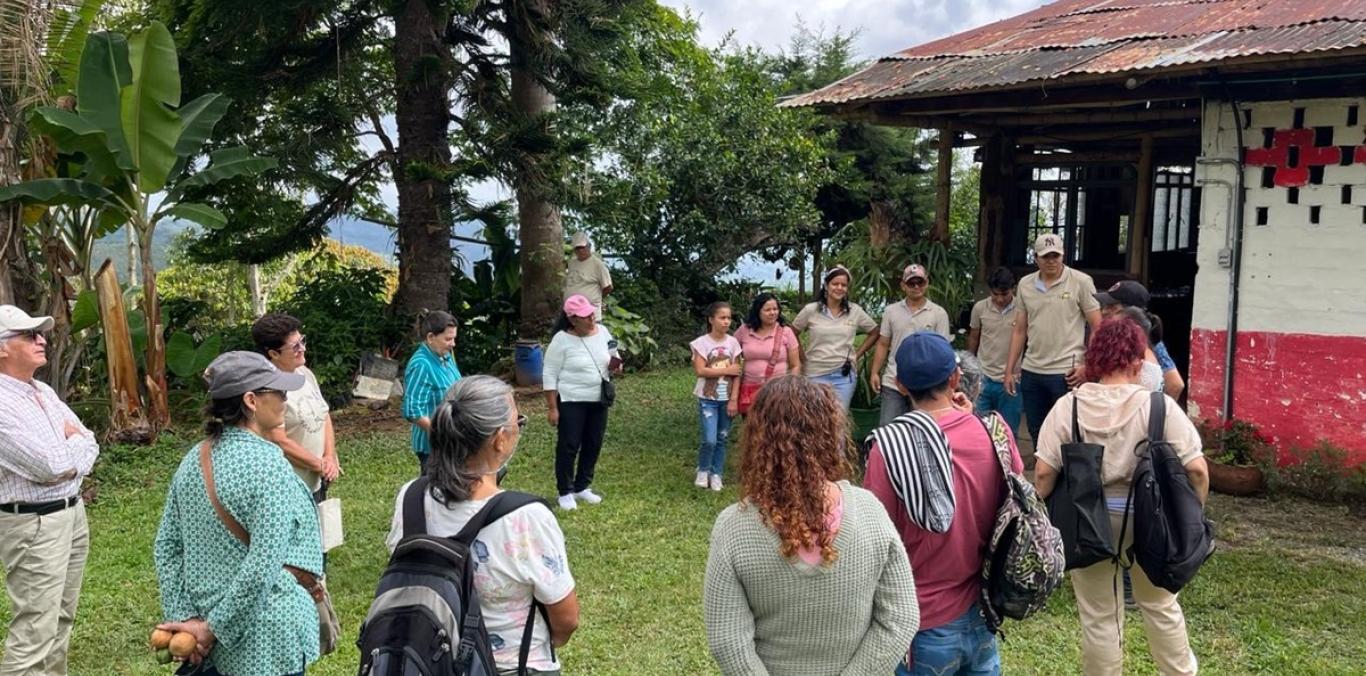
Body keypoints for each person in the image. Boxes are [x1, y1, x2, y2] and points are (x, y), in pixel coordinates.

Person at [703, 375, 919, 674]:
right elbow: (902, 617)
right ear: (830, 433)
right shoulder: (870, 511)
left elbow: (728, 640)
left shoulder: (734, 527)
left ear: (757, 438)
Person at [1033, 319, 1209, 676]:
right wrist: (1192, 515)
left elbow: (1043, 474)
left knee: (1099, 613)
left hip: (1088, 518)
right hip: (1151, 516)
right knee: (1160, 602)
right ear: (1136, 360)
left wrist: (1038, 512)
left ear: (1094, 359)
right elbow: (1198, 470)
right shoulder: (1159, 406)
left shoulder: (1070, 406)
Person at [386, 376, 579, 675]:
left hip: (426, 661)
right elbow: (565, 619)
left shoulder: (409, 497)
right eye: (519, 423)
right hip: (510, 665)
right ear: (499, 439)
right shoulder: (526, 517)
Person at [153, 351, 324, 676]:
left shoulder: (194, 459)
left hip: (209, 637)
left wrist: (189, 620)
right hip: (265, 640)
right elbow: (263, 563)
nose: (285, 402)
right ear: (251, 400)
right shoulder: (268, 464)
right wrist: (213, 628)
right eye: (279, 393)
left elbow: (167, 547)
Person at [864, 333, 1024, 675]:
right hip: (983, 608)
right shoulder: (995, 432)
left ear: (901, 385)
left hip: (922, 620)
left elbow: (878, 538)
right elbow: (1015, 499)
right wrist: (971, 419)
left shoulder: (888, 448)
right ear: (955, 378)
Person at [0, 305, 99, 676]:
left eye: (39, 333)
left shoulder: (40, 390)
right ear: (2, 348)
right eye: (29, 335)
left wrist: (70, 450)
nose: (41, 339)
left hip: (71, 513)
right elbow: (47, 466)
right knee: (35, 630)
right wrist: (71, 451)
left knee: (61, 618)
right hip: (33, 523)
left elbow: (90, 441)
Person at [1004, 234, 1102, 453]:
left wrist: (1088, 365)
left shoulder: (1080, 282)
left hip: (1066, 372)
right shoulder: (1026, 285)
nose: (1051, 261)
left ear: (1063, 255)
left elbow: (1098, 326)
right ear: (1036, 258)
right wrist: (1009, 370)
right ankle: (1043, 480)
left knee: (1068, 432)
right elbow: (1020, 329)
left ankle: (1067, 482)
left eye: (1055, 255)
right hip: (1032, 370)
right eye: (1046, 256)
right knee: (1037, 431)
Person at [543, 294, 622, 511]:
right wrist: (552, 407)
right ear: (572, 320)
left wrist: (617, 364)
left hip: (598, 398)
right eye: (585, 317)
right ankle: (565, 490)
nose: (591, 319)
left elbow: (613, 354)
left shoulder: (603, 332)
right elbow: (549, 374)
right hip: (571, 400)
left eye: (591, 314)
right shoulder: (561, 340)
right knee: (569, 446)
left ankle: (582, 486)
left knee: (593, 443)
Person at [252, 313, 339, 501]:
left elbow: (324, 414)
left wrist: (330, 456)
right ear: (273, 354)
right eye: (295, 347)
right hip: (289, 487)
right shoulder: (268, 389)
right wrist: (320, 465)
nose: (303, 349)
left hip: (317, 479)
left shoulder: (305, 373)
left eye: (302, 341)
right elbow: (278, 440)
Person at [870, 264, 952, 425]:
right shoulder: (891, 311)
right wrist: (874, 372)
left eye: (920, 282)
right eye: (911, 283)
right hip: (894, 380)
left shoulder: (938, 313)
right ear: (903, 285)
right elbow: (883, 343)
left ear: (927, 283)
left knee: (923, 430)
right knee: (889, 428)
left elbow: (944, 350)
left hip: (926, 383)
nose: (916, 287)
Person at [792, 265, 881, 409]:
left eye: (844, 285)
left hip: (843, 376)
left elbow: (875, 331)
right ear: (826, 286)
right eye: (835, 284)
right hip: (814, 373)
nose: (839, 288)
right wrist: (802, 358)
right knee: (815, 420)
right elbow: (792, 333)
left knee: (838, 421)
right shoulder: (811, 310)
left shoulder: (855, 311)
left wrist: (856, 355)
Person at [1094, 280, 1185, 398]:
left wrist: (1159, 412)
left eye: (1112, 307)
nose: (1104, 311)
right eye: (1104, 306)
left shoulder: (1150, 342)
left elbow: (1175, 384)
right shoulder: (1110, 338)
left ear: (1132, 311)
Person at [690, 302, 743, 491]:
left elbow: (737, 373)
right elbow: (700, 370)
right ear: (711, 319)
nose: (726, 321)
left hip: (726, 398)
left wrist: (734, 399)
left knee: (722, 437)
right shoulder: (701, 343)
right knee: (709, 438)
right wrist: (727, 369)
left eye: (729, 318)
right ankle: (703, 469)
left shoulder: (733, 343)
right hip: (707, 399)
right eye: (722, 317)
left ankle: (717, 472)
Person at [403, 311, 462, 470]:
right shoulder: (421, 365)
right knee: (436, 492)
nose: (453, 344)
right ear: (430, 338)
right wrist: (439, 433)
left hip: (452, 442)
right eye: (448, 339)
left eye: (454, 338)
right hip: (433, 448)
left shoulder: (445, 356)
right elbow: (413, 410)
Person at [967, 266, 1022, 434]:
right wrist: (970, 367)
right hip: (983, 378)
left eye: (1004, 294)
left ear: (1013, 289)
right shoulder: (980, 308)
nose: (999, 299)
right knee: (978, 428)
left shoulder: (1022, 309)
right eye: (995, 294)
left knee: (1008, 431)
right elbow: (974, 337)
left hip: (1012, 379)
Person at [734, 292, 801, 413]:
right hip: (750, 390)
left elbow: (795, 365)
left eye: (775, 309)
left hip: (778, 392)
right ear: (757, 311)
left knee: (777, 428)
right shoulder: (744, 330)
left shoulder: (786, 332)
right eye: (767, 310)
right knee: (753, 428)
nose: (772, 313)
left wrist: (791, 388)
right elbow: (730, 351)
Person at [564, 231, 613, 321]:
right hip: (571, 313)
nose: (580, 250)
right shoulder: (571, 262)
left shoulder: (597, 264)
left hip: (590, 314)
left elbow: (608, 286)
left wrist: (597, 298)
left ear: (589, 246)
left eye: (582, 247)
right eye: (577, 248)